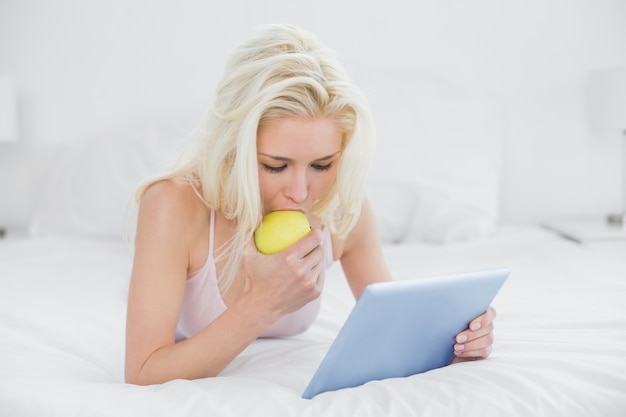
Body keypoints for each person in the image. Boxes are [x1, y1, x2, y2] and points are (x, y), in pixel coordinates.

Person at [124, 23, 496, 385]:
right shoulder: (174, 205)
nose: (301, 192)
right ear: (232, 149)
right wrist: (262, 303)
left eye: (322, 165)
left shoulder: (339, 206)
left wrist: (456, 343)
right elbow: (143, 371)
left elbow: (397, 332)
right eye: (275, 165)